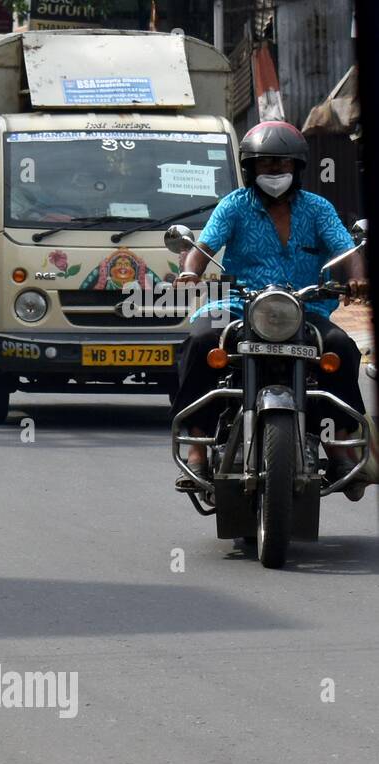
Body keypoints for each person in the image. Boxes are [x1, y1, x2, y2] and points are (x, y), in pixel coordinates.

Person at [170, 121, 377, 497]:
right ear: (251, 169)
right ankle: (197, 446)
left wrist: (358, 278)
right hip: (238, 306)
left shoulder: (318, 208)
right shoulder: (233, 205)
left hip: (303, 307)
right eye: (266, 165)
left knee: (341, 349)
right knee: (200, 342)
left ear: (297, 168)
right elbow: (203, 249)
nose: (275, 172)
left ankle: (341, 446)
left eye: (282, 165)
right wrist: (189, 273)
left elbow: (346, 249)